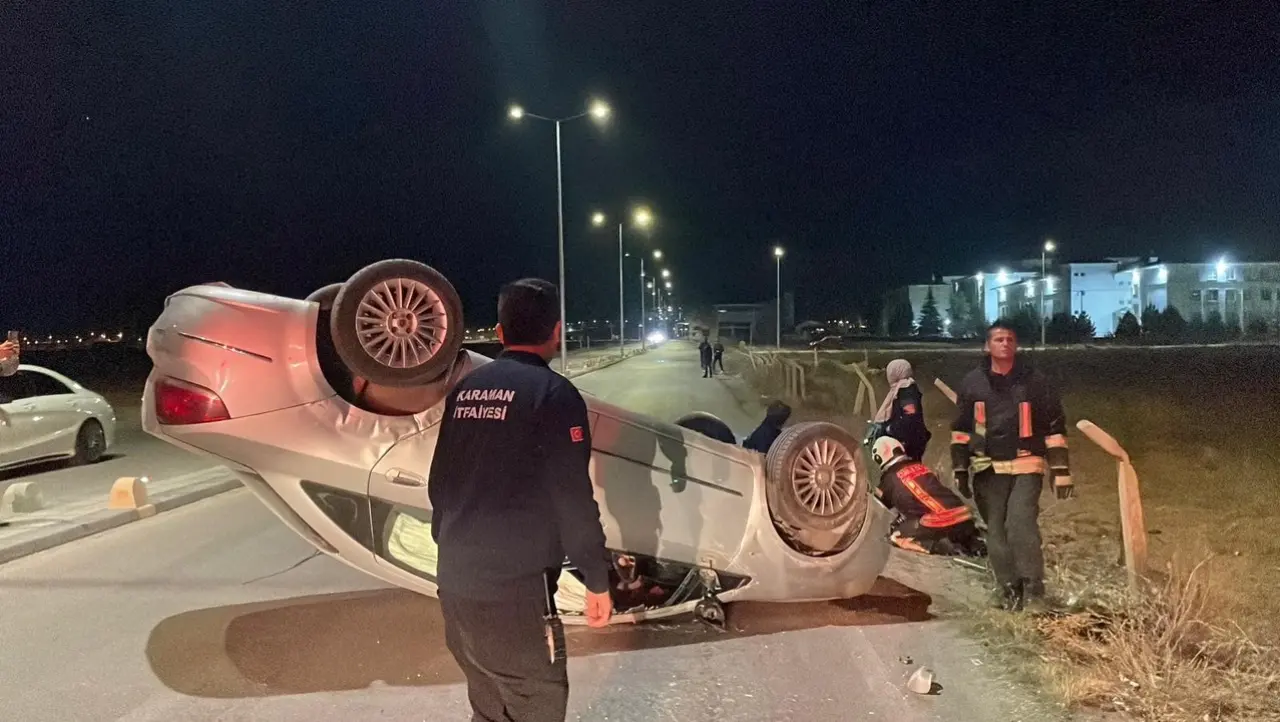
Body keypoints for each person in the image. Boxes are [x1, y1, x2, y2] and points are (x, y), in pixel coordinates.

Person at [428, 278, 613, 722]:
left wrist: (453, 550)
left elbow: (440, 484)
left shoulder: (466, 390)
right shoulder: (554, 395)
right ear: (557, 330)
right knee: (535, 704)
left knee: (490, 706)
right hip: (515, 595)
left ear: (499, 332)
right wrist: (596, 578)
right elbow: (572, 497)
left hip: (455, 585)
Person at [950, 320, 1073, 613]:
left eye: (1009, 339)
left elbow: (1055, 426)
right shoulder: (972, 383)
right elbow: (961, 430)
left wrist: (1060, 470)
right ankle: (1009, 591)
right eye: (998, 339)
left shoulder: (1036, 382)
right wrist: (960, 468)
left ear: (1015, 345)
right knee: (996, 532)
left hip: (1026, 462)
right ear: (987, 346)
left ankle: (1034, 591)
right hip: (987, 467)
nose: (1004, 344)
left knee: (1020, 524)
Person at [870, 436, 981, 555]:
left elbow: (878, 505)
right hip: (963, 514)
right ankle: (974, 544)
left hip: (939, 523)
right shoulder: (921, 466)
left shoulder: (888, 480)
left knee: (894, 535)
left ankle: (940, 547)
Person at [868, 359, 930, 461]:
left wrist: (890, 428)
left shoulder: (907, 391)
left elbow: (910, 416)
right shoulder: (900, 389)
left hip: (909, 442)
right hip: (907, 440)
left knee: (906, 468)